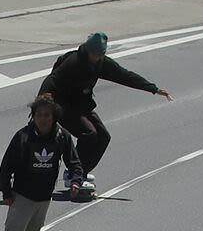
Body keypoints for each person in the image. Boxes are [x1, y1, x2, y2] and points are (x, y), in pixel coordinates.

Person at [36, 31, 171, 192]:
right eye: (94, 54)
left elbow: (124, 75)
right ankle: (74, 175)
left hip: (82, 106)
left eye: (100, 55)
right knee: (89, 134)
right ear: (88, 50)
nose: (97, 58)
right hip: (64, 107)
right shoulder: (74, 62)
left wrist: (153, 89)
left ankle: (80, 172)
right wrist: (42, 102)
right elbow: (52, 80)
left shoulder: (100, 62)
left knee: (104, 137)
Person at [0, 95, 87, 231]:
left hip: (44, 198)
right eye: (39, 115)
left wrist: (76, 181)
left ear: (53, 117)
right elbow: (6, 166)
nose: (43, 119)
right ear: (33, 116)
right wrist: (6, 192)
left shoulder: (62, 137)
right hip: (22, 196)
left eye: (47, 115)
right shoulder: (23, 137)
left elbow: (74, 162)